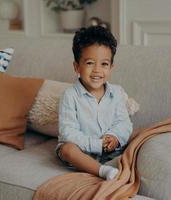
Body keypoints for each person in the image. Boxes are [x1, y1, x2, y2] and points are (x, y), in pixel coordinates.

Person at [56, 26, 133, 180]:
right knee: (67, 149)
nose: (97, 70)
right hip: (81, 152)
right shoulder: (70, 95)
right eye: (90, 63)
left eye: (104, 64)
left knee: (137, 133)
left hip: (111, 150)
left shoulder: (116, 93)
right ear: (77, 66)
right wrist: (97, 144)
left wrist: (115, 137)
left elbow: (124, 123)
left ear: (111, 67)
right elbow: (68, 132)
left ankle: (113, 163)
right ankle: (102, 171)